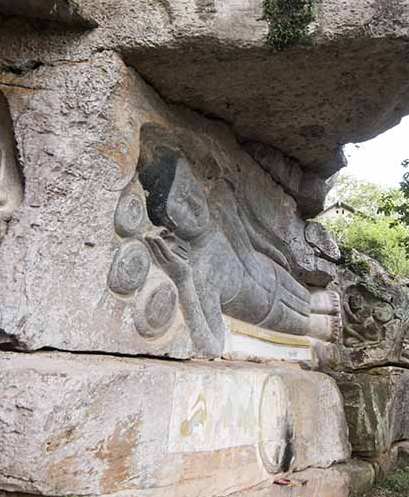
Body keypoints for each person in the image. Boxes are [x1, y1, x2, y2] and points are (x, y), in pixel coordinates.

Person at [139, 148, 337, 355]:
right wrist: (183, 280)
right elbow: (213, 348)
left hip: (272, 271)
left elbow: (251, 237)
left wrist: (276, 255)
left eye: (189, 184)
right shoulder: (199, 273)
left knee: (311, 299)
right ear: (169, 227)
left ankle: (318, 307)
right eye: (181, 200)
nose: (196, 202)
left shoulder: (220, 208)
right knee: (316, 326)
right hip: (267, 310)